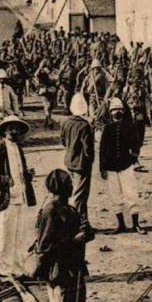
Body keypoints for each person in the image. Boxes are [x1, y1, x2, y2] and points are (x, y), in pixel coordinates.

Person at [34, 170, 93, 302]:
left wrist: (86, 231)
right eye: (68, 184)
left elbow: (88, 234)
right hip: (59, 273)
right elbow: (44, 247)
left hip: (75, 269)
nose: (71, 187)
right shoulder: (50, 211)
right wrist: (74, 240)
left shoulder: (70, 209)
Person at [0, 115, 37, 278]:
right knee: (5, 236)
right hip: (6, 200)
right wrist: (7, 180)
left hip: (20, 198)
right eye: (10, 128)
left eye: (16, 129)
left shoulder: (18, 149)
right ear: (5, 131)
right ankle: (5, 269)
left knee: (19, 235)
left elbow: (21, 172)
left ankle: (18, 266)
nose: (14, 132)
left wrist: (27, 176)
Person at [99, 98, 146, 234]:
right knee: (115, 195)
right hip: (111, 167)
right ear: (110, 112)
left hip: (126, 165)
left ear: (124, 111)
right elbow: (102, 150)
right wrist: (102, 167)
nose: (117, 113)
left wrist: (133, 157)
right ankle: (121, 225)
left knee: (131, 193)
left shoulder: (130, 127)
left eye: (119, 110)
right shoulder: (107, 129)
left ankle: (136, 224)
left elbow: (136, 144)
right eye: (114, 111)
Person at [61, 93, 95, 226]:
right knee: (80, 195)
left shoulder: (66, 122)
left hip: (69, 161)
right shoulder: (84, 126)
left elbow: (63, 141)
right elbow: (88, 149)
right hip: (82, 164)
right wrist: (90, 160)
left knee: (75, 191)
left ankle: (81, 220)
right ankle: (79, 222)